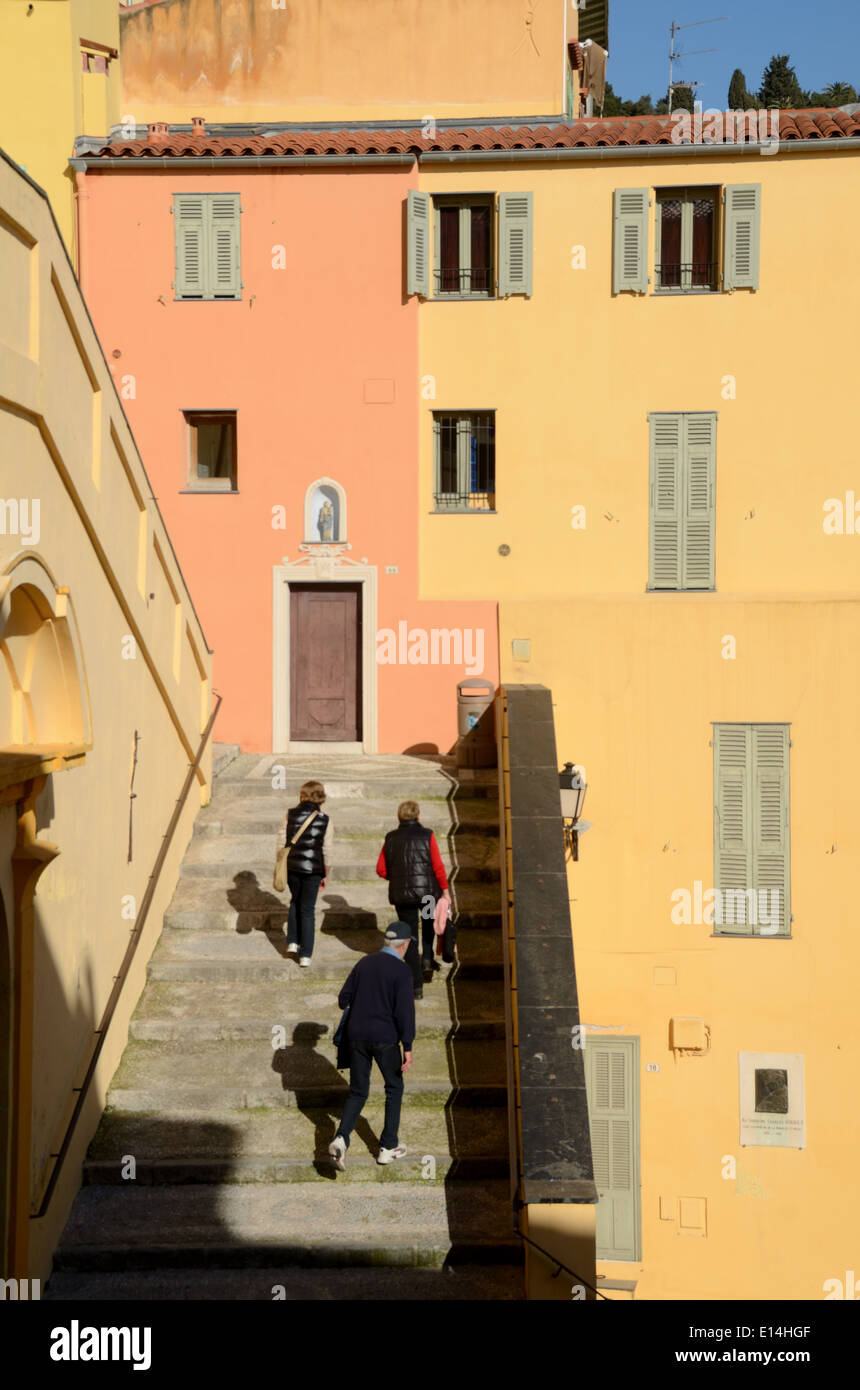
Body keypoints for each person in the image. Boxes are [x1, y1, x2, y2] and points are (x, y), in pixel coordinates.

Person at [329, 922, 415, 1170]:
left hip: (356, 1036)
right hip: (385, 1038)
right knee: (394, 1087)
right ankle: (387, 1147)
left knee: (358, 1091)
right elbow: (405, 1013)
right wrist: (407, 1045)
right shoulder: (402, 971)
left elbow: (343, 999)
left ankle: (341, 1138)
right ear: (405, 944)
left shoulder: (364, 963)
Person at [376, 800, 450, 999]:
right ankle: (426, 958)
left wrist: (399, 877)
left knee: (409, 934)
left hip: (403, 897)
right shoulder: (427, 835)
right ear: (418, 816)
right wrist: (445, 889)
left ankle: (416, 986)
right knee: (427, 923)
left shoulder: (390, 838)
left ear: (399, 817)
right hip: (426, 894)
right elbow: (437, 866)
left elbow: (381, 869)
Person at [283, 780, 333, 967]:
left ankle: (293, 942)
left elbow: (281, 841)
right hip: (313, 869)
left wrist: (281, 865)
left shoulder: (289, 814)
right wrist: (326, 872)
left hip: (292, 867)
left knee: (294, 901)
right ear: (320, 797)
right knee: (307, 909)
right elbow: (327, 849)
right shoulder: (325, 819)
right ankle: (305, 955)